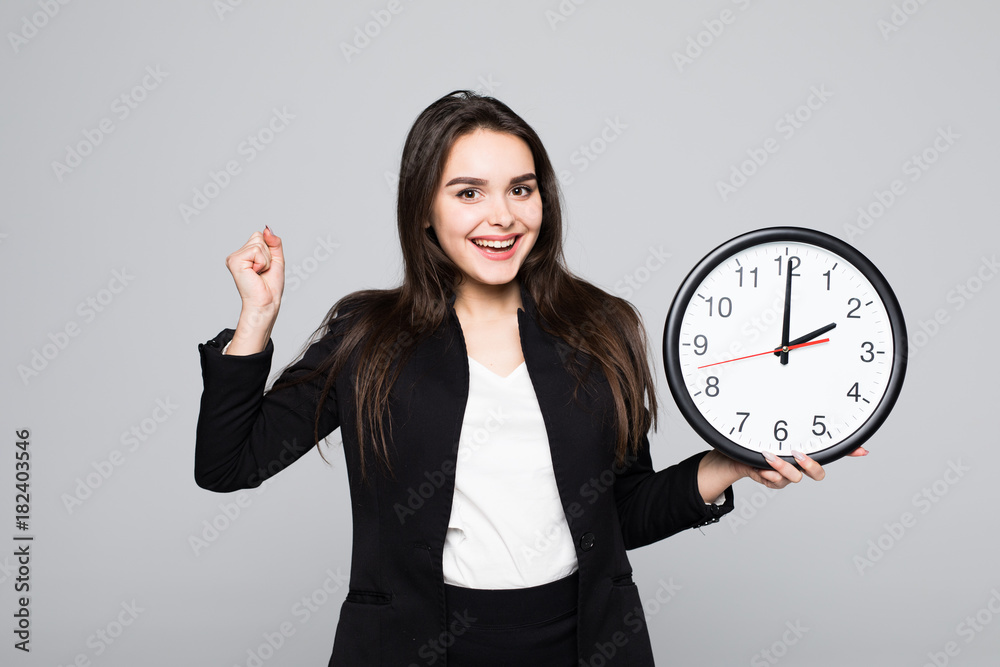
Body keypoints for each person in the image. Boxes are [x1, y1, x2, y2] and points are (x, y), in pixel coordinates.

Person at [194, 90, 865, 666]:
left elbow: (621, 510)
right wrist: (256, 318)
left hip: (582, 641)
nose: (503, 216)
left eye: (521, 188)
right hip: (414, 644)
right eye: (468, 192)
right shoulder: (368, 335)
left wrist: (731, 463)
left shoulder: (600, 327)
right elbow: (228, 463)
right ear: (424, 210)